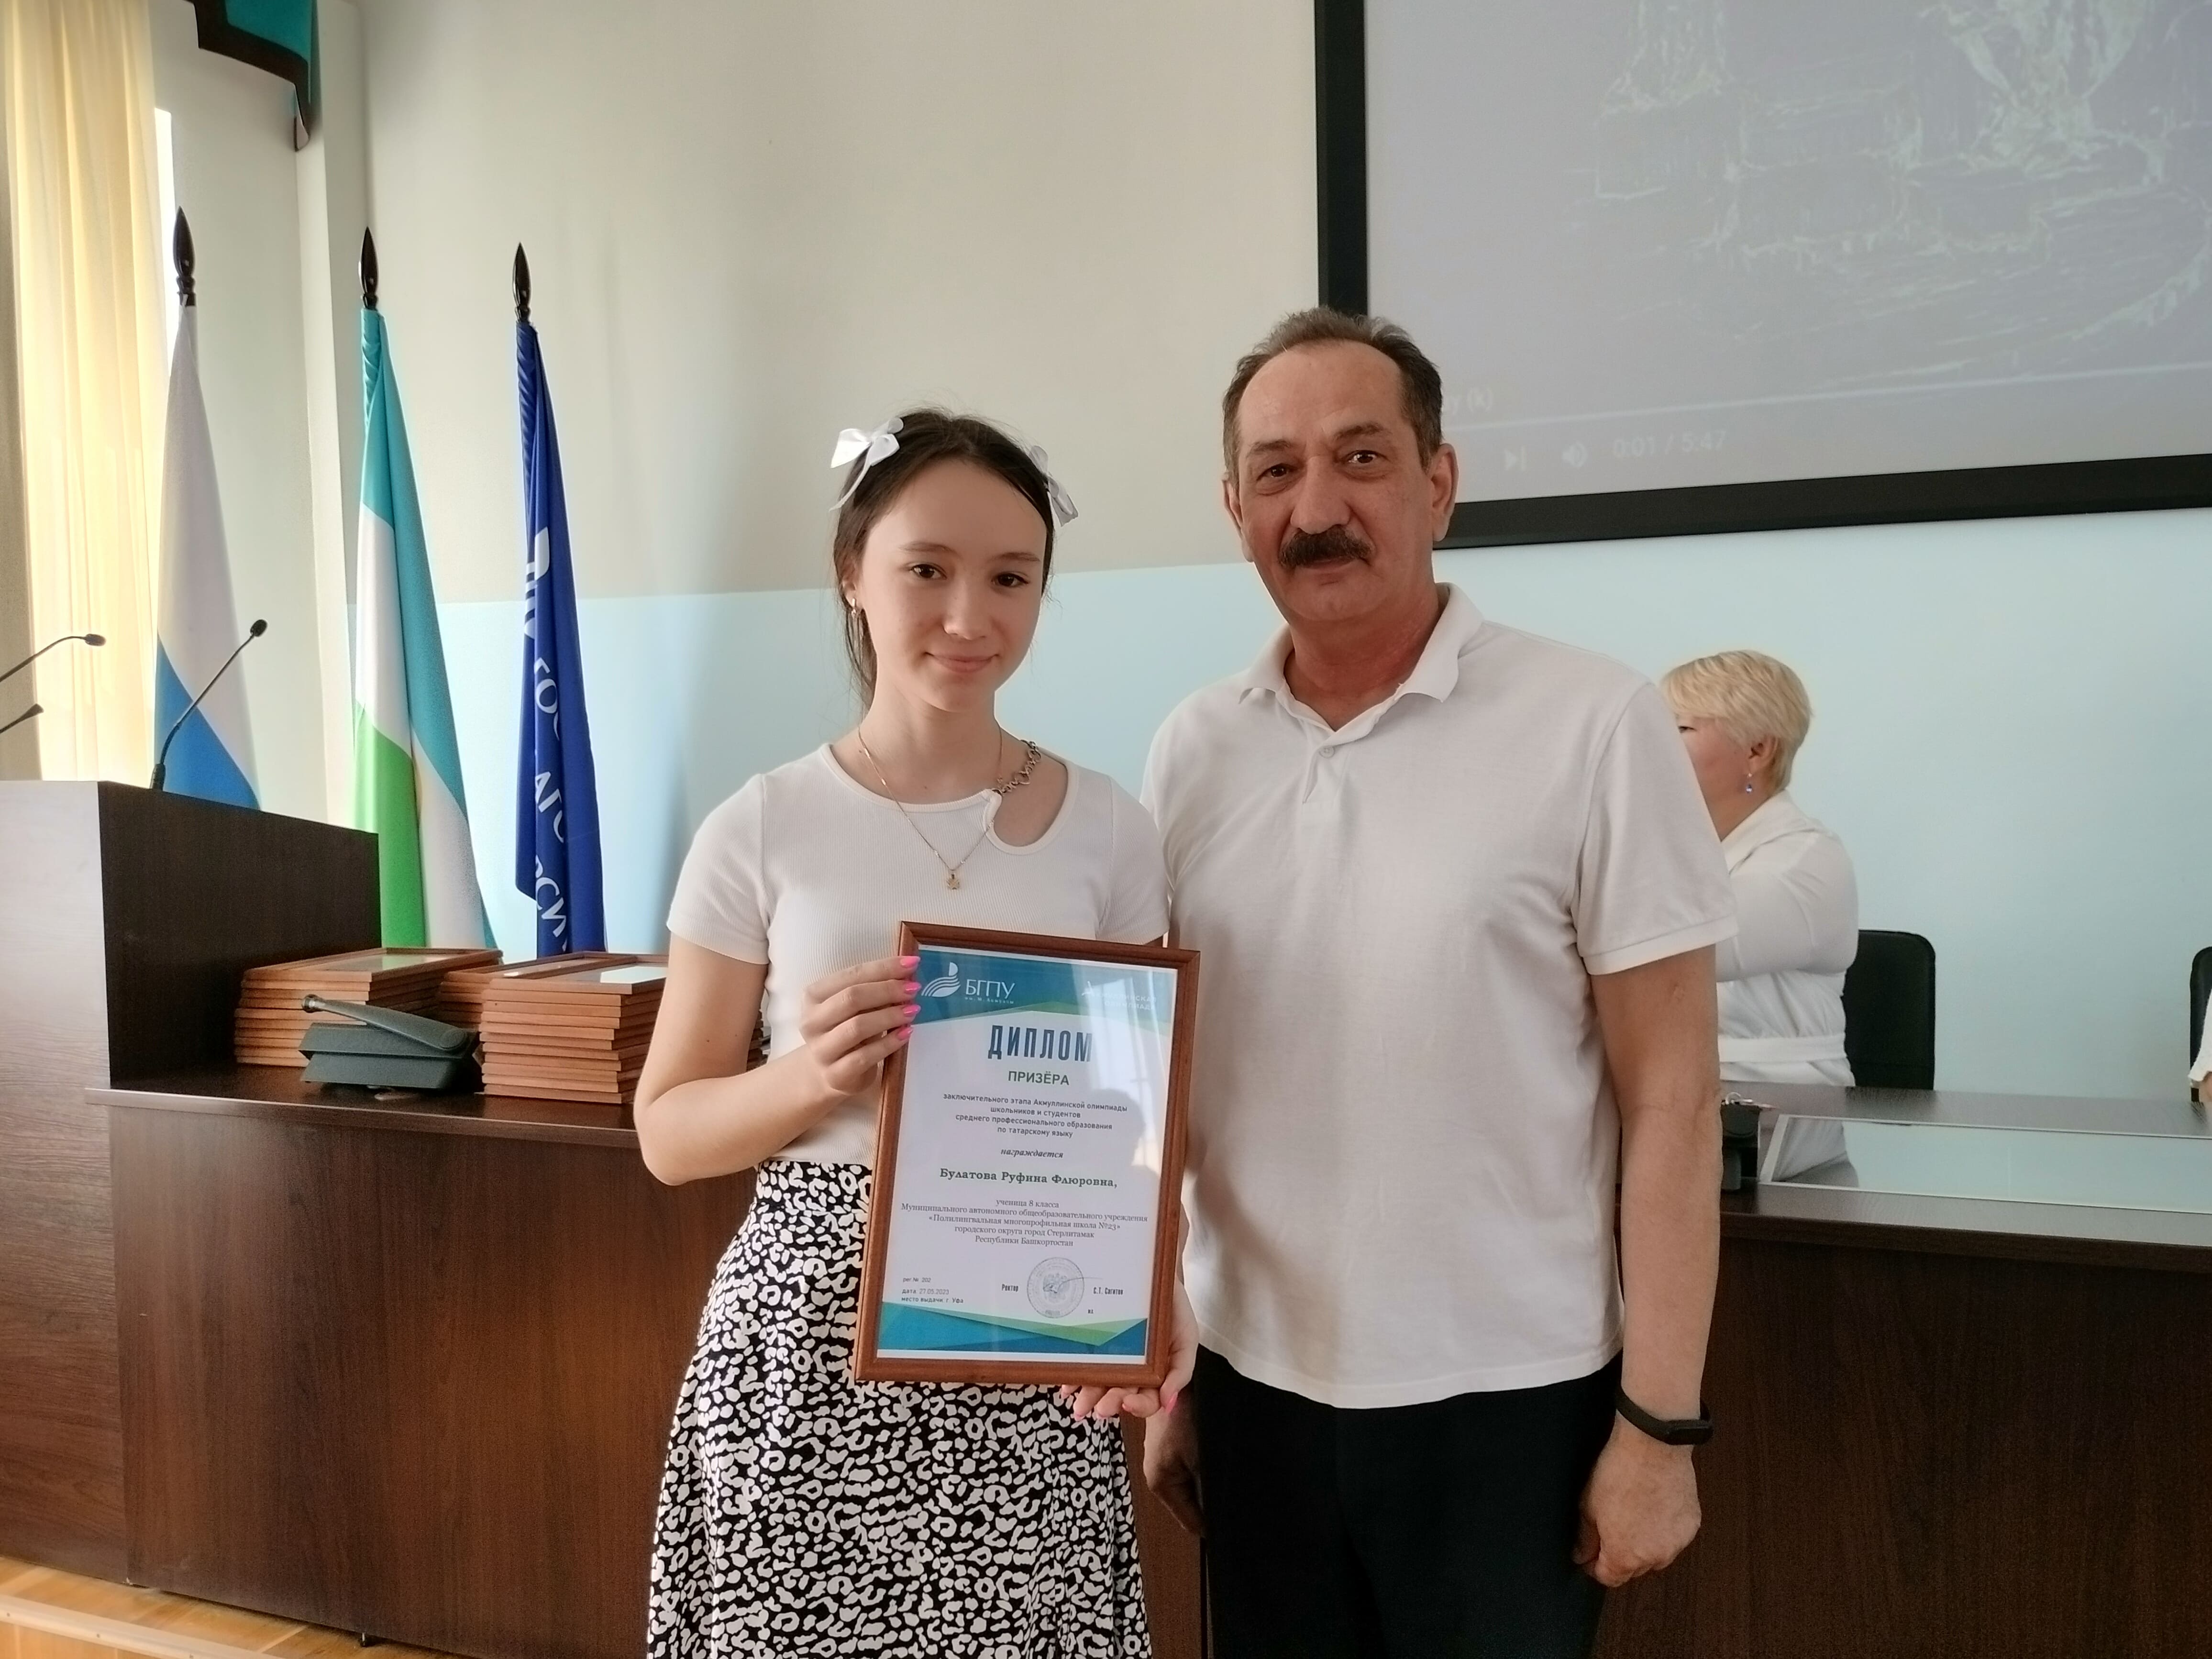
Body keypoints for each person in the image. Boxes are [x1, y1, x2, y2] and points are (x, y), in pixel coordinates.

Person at [1140, 309, 1737, 1659]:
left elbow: (1675, 1098)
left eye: (1360, 457)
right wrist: (1169, 1361)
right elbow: (1173, 1083)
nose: (1317, 507)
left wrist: (1660, 1426)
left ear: (1438, 482)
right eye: (1276, 470)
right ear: (1235, 509)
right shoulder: (1193, 748)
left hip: (1511, 1406)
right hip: (1253, 1391)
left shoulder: (1593, 722)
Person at [636, 409, 1185, 1659]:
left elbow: (1145, 1128)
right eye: (925, 568)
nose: (967, 615)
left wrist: (1156, 1296)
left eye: (1011, 578)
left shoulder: (1111, 829)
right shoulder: (760, 824)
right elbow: (668, 1133)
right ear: (852, 573)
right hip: (807, 1346)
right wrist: (808, 1075)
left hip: (1030, 1335)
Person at [1662, 650, 1859, 1089]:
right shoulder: (1677, 849)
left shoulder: (1808, 861)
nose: (1654, 744)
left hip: (1776, 1103)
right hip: (1678, 1090)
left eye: (1681, 728)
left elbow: (1674, 950)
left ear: (1757, 751)